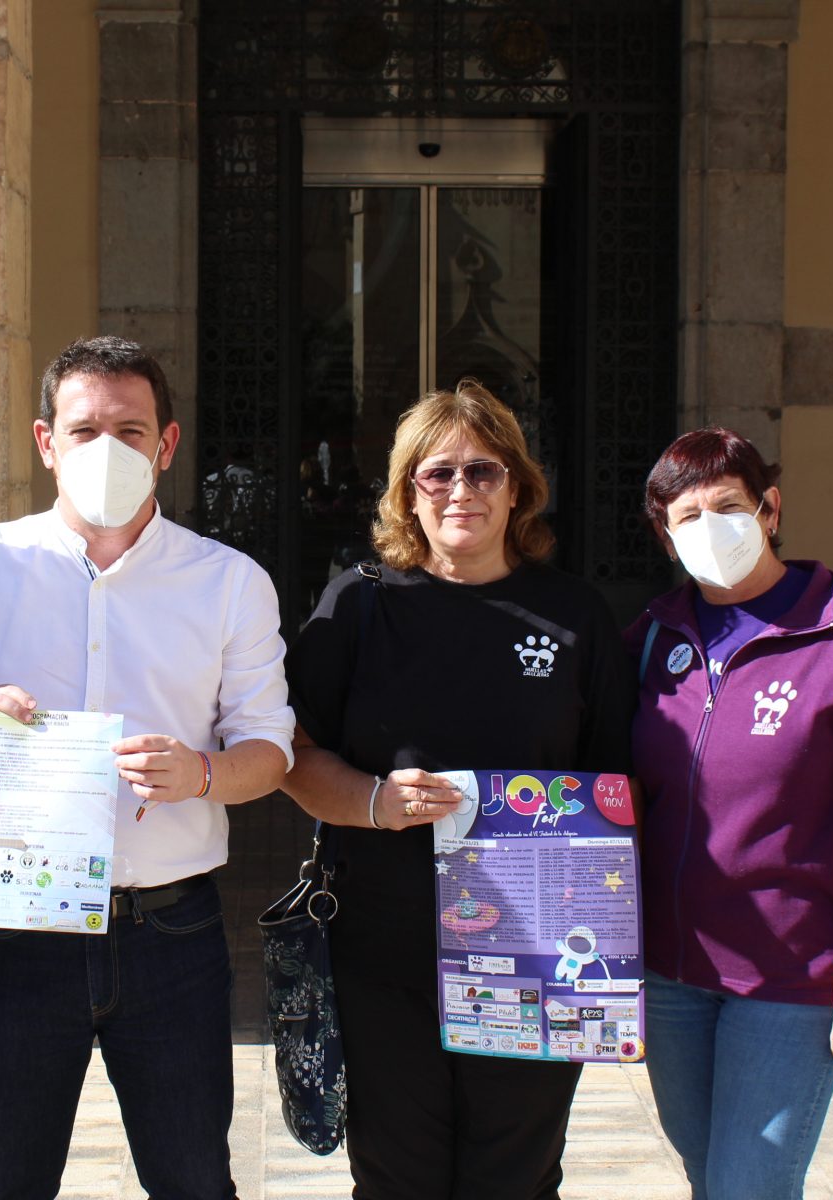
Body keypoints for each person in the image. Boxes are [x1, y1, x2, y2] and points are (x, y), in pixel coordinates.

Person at [0, 335, 295, 1200]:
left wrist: (202, 774)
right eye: (84, 430)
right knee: (5, 1180)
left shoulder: (228, 581)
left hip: (170, 933)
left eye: (130, 430)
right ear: (47, 442)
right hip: (16, 932)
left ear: (167, 444)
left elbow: (269, 753)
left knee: (195, 1179)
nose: (106, 448)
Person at [281, 380, 635, 1200]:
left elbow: (618, 788)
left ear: (518, 488)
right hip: (385, 950)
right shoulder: (357, 604)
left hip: (540, 952)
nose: (460, 490)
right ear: (409, 494)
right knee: (395, 1178)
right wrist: (373, 801)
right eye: (437, 473)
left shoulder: (575, 614)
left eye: (483, 471)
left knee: (515, 1178)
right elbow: (292, 755)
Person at [627, 427, 833, 1200]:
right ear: (665, 536)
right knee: (711, 1179)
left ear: (769, 509)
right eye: (688, 517)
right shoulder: (651, 640)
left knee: (750, 1187)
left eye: (727, 507)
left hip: (790, 977)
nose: (710, 530)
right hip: (669, 975)